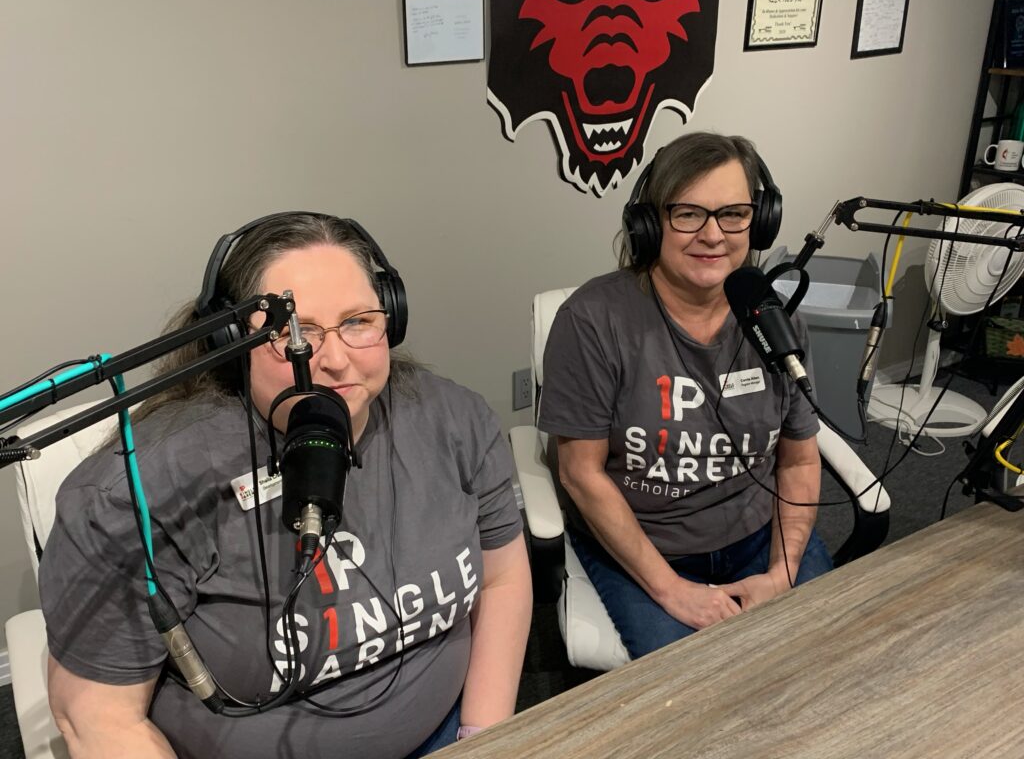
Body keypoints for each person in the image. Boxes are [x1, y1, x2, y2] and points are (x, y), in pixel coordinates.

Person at [39, 212, 532, 758]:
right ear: (230, 341)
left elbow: (501, 582)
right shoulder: (143, 490)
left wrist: (482, 741)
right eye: (291, 335)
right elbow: (96, 715)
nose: (335, 360)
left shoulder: (454, 420)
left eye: (358, 321)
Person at [538, 132, 831, 660]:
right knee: (691, 691)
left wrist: (781, 575)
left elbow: (798, 460)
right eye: (688, 214)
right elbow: (580, 473)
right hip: (645, 547)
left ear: (759, 221)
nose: (713, 235)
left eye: (734, 214)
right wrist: (672, 591)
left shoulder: (776, 322)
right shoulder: (592, 321)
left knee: (818, 654)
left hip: (759, 535)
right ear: (650, 224)